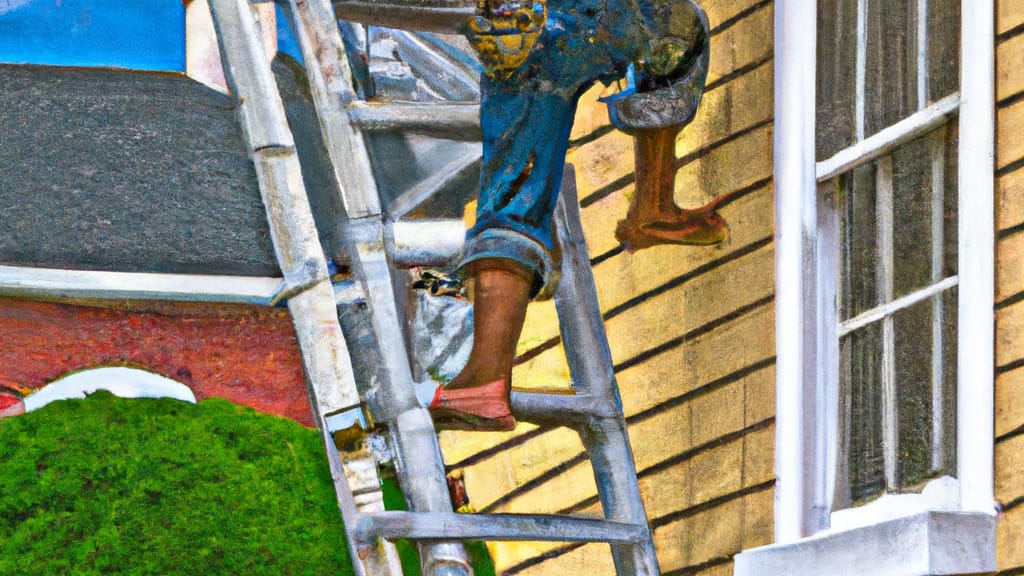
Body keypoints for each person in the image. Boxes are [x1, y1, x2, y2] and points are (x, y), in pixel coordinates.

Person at [429, 0, 726, 431]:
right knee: (677, 30)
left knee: (517, 192)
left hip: (532, 24)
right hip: (553, 20)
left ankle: (485, 378)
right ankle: (654, 202)